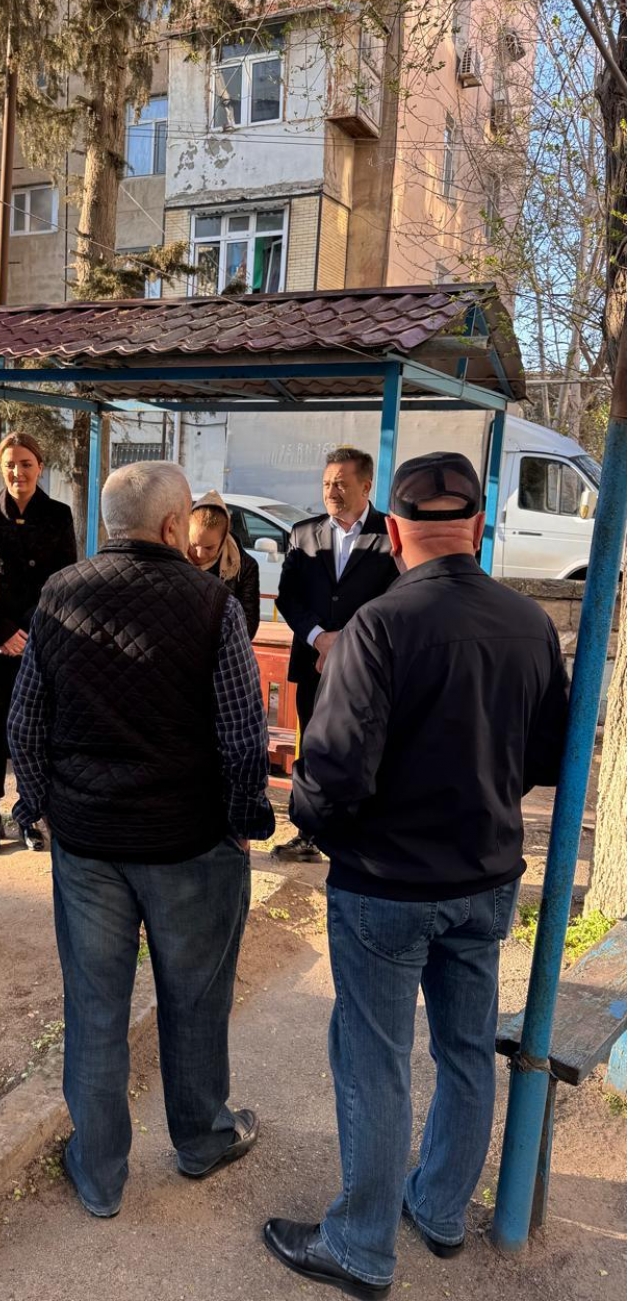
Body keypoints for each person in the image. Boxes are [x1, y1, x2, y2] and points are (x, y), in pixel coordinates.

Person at [263, 452, 570, 1301]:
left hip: (387, 883)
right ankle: (438, 1208)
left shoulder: (378, 625)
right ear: (480, 527)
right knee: (467, 1048)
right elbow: (548, 754)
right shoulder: (529, 623)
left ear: (393, 533)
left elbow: (332, 773)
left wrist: (315, 822)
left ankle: (361, 1246)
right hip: (485, 873)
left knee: (375, 1060)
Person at [9, 460, 275, 1218]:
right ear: (171, 525)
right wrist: (244, 820)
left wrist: (40, 806)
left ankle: (99, 1174)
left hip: (88, 841)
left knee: (95, 1008)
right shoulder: (212, 603)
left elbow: (25, 720)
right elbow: (241, 734)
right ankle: (201, 1139)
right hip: (190, 843)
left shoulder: (59, 592)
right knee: (195, 1001)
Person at [275, 447, 398, 858]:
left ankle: (359, 833)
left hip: (367, 667)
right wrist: (318, 637)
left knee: (367, 747)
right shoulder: (303, 533)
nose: (331, 491)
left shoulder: (391, 535)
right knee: (311, 745)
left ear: (366, 486)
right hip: (313, 663)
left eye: (341, 484)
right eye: (327, 483)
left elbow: (395, 598)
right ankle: (308, 832)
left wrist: (348, 639)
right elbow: (288, 596)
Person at [0, 431, 77, 854]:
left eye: (26, 464)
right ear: (1, 468)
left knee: (34, 733)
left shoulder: (59, 514)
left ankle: (29, 814)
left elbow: (63, 580)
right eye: (10, 465)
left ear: (40, 466)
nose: (18, 472)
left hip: (38, 640)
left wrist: (29, 631)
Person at [188, 489, 262, 639]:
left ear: (223, 539)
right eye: (193, 544)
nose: (199, 554)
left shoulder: (244, 566)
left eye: (209, 547)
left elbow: (247, 626)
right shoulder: (172, 557)